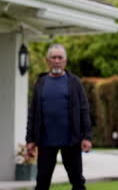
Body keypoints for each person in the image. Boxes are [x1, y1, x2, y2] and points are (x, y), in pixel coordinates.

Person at [26, 44, 92, 190]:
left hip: (71, 141)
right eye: (53, 57)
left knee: (78, 182)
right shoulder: (40, 83)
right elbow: (33, 113)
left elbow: (84, 110)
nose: (56, 60)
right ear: (47, 61)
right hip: (45, 142)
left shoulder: (74, 82)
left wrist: (87, 137)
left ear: (65, 61)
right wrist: (30, 140)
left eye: (60, 57)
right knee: (42, 183)